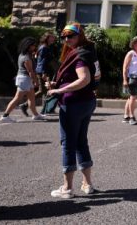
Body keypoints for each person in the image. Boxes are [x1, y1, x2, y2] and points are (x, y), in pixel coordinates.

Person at [46, 23, 98, 198]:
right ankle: (87, 184)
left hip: (74, 103)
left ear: (79, 36)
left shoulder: (80, 55)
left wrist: (60, 90)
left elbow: (84, 78)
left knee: (68, 144)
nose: (67, 39)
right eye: (64, 37)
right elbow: (93, 77)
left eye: (71, 36)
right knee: (81, 141)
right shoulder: (88, 51)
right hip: (87, 100)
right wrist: (58, 84)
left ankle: (67, 188)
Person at [0, 37, 46, 122]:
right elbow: (30, 71)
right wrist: (36, 81)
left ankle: (36, 115)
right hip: (24, 79)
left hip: (25, 79)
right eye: (33, 45)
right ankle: (5, 116)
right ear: (28, 46)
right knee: (17, 98)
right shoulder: (26, 57)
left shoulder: (24, 54)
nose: (35, 47)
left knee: (31, 98)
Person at [20, 32, 57, 116]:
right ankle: (25, 105)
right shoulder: (44, 48)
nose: (53, 39)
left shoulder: (46, 47)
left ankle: (45, 109)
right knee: (42, 90)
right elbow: (41, 61)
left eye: (53, 37)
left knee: (46, 90)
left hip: (44, 71)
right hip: (41, 71)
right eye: (51, 37)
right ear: (46, 38)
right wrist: (43, 73)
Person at [122, 36, 137, 125]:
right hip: (132, 78)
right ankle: (132, 117)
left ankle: (126, 116)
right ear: (133, 44)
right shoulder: (131, 53)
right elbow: (125, 68)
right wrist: (125, 80)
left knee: (130, 98)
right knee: (133, 97)